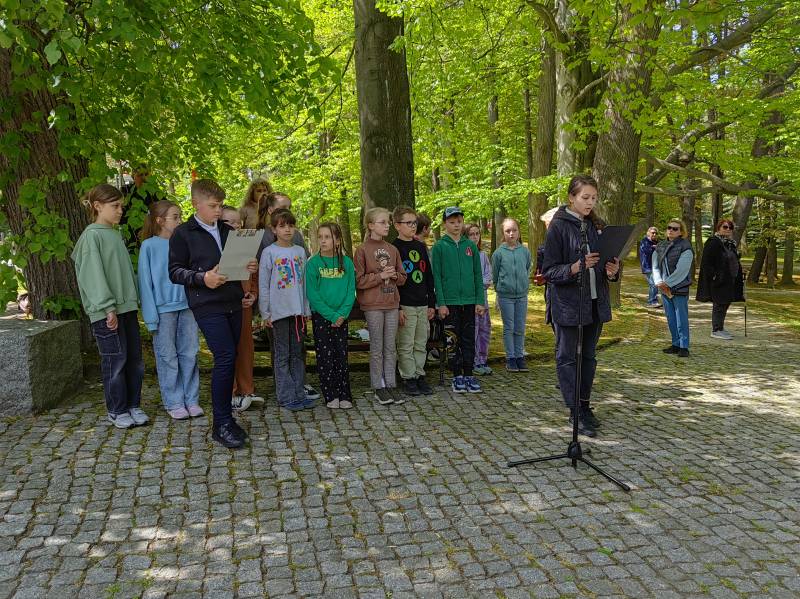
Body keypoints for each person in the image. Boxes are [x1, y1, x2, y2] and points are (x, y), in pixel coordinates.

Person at [169, 179, 258, 449]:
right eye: (213, 206)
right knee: (225, 356)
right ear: (196, 204)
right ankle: (221, 424)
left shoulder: (228, 230)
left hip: (232, 300)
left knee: (232, 357)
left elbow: (236, 265)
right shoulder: (183, 234)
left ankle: (227, 420)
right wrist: (202, 278)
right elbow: (174, 272)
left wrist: (248, 266)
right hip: (206, 304)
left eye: (220, 205)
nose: (218, 211)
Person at [542, 175, 620, 437]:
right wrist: (575, 267)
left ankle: (585, 406)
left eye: (594, 198)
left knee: (588, 357)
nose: (590, 203)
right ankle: (574, 411)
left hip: (594, 303)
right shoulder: (558, 227)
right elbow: (548, 271)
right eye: (585, 197)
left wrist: (612, 271)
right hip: (568, 306)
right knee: (568, 358)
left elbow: (605, 263)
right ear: (571, 197)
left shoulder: (596, 226)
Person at [72, 184, 146, 429]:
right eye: (115, 206)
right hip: (107, 312)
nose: (120, 210)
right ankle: (117, 409)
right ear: (97, 206)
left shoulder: (114, 234)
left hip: (126, 308)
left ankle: (133, 404)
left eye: (121, 206)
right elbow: (92, 275)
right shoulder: (91, 236)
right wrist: (107, 308)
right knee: (116, 360)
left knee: (134, 360)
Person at [138, 200, 202, 420]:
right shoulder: (149, 246)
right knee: (167, 356)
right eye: (175, 217)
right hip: (163, 310)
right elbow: (145, 283)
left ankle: (191, 399)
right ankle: (174, 401)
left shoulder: (184, 243)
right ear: (159, 221)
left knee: (190, 352)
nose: (180, 221)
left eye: (180, 216)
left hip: (188, 307)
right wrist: (150, 317)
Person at [256, 191, 320, 402]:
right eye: (282, 226)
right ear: (274, 229)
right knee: (282, 354)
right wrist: (266, 313)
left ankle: (299, 391)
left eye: (291, 226)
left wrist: (307, 308)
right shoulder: (269, 252)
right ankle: (285, 395)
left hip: (298, 311)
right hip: (278, 312)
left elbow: (305, 284)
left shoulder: (300, 252)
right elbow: (264, 284)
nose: (287, 230)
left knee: (298, 353)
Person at [355, 207, 408, 405]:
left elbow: (403, 278)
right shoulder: (362, 250)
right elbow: (358, 281)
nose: (387, 226)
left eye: (388, 222)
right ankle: (378, 386)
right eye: (382, 222)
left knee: (390, 347)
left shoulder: (393, 249)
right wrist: (381, 276)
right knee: (377, 347)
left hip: (392, 303)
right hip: (373, 306)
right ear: (370, 225)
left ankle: (391, 385)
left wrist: (394, 275)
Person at [432, 206, 485, 394]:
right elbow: (437, 277)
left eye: (459, 222)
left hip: (469, 302)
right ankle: (456, 375)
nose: (456, 225)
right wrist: (441, 303)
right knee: (452, 340)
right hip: (450, 303)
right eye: (452, 222)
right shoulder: (439, 247)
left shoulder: (470, 246)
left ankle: (469, 373)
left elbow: (477, 275)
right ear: (444, 224)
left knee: (469, 339)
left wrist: (479, 300)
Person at [218, 205, 265, 411]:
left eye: (239, 222)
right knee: (228, 349)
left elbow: (253, 277)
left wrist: (253, 294)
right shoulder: (214, 245)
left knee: (246, 347)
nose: (236, 226)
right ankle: (231, 392)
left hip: (245, 305)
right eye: (231, 222)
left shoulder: (247, 247)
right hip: (224, 305)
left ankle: (247, 389)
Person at [306, 222, 356, 409]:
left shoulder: (347, 263)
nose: (323, 240)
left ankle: (345, 393)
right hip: (322, 317)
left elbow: (351, 291)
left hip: (341, 317)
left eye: (327, 237)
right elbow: (312, 294)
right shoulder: (313, 264)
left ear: (337, 240)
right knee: (325, 357)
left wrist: (342, 314)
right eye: (320, 237)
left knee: (341, 356)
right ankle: (330, 394)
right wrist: (332, 316)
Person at [393, 206, 436, 396]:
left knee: (420, 342)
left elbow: (428, 277)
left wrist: (431, 303)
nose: (412, 226)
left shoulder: (420, 246)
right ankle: (408, 377)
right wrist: (398, 307)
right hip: (406, 304)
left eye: (414, 223)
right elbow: (394, 282)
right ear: (397, 225)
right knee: (406, 343)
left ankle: (419, 375)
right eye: (408, 223)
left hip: (423, 303)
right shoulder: (394, 248)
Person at [492, 218, 532, 373]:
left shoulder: (525, 251)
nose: (511, 234)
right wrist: (499, 289)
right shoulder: (499, 253)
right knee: (509, 327)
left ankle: (519, 356)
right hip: (505, 296)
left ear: (519, 232)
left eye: (514, 230)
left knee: (520, 327)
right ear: (503, 233)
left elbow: (527, 268)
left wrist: (523, 284)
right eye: (508, 231)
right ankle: (510, 358)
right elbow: (495, 274)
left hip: (521, 295)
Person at [696, 218, 744, 340]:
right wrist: (714, 276)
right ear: (718, 228)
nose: (728, 229)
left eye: (730, 227)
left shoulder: (730, 244)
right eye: (725, 227)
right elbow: (706, 262)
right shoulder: (713, 242)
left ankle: (720, 327)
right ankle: (716, 329)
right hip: (719, 280)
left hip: (730, 279)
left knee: (726, 303)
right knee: (719, 304)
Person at [652, 219, 694, 358]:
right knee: (670, 318)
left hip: (679, 287)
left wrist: (667, 283)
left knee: (681, 318)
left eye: (675, 229)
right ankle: (675, 343)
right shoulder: (661, 245)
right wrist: (658, 281)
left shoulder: (685, 246)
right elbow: (655, 265)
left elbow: (682, 269)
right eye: (669, 227)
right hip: (664, 288)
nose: (671, 230)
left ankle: (684, 346)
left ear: (681, 232)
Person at [465, 223, 492, 375]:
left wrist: (480, 284)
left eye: (477, 234)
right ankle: (473, 361)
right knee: (473, 331)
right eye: (471, 234)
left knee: (484, 329)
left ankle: (482, 359)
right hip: (470, 300)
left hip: (483, 300)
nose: (475, 237)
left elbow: (488, 277)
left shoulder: (483, 255)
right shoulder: (464, 255)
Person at [121, 164, 164, 252]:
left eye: (146, 174)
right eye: (140, 175)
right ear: (133, 176)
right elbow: (121, 217)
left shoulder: (156, 192)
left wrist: (148, 229)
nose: (144, 178)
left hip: (153, 236)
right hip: (133, 239)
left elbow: (165, 214)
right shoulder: (127, 191)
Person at [640, 226, 660, 308]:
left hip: (655, 267)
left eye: (656, 233)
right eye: (653, 233)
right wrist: (655, 248)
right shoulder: (644, 241)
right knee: (653, 284)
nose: (654, 234)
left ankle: (654, 300)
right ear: (648, 233)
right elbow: (646, 251)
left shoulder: (656, 242)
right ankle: (652, 301)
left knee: (656, 283)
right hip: (647, 267)